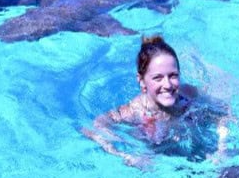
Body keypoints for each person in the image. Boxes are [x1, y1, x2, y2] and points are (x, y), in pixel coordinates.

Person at [83, 35, 230, 167]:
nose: (167, 85)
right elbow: (92, 128)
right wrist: (126, 155)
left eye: (173, 76)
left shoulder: (189, 94)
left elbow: (223, 112)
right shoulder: (134, 111)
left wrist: (222, 148)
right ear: (141, 81)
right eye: (158, 78)